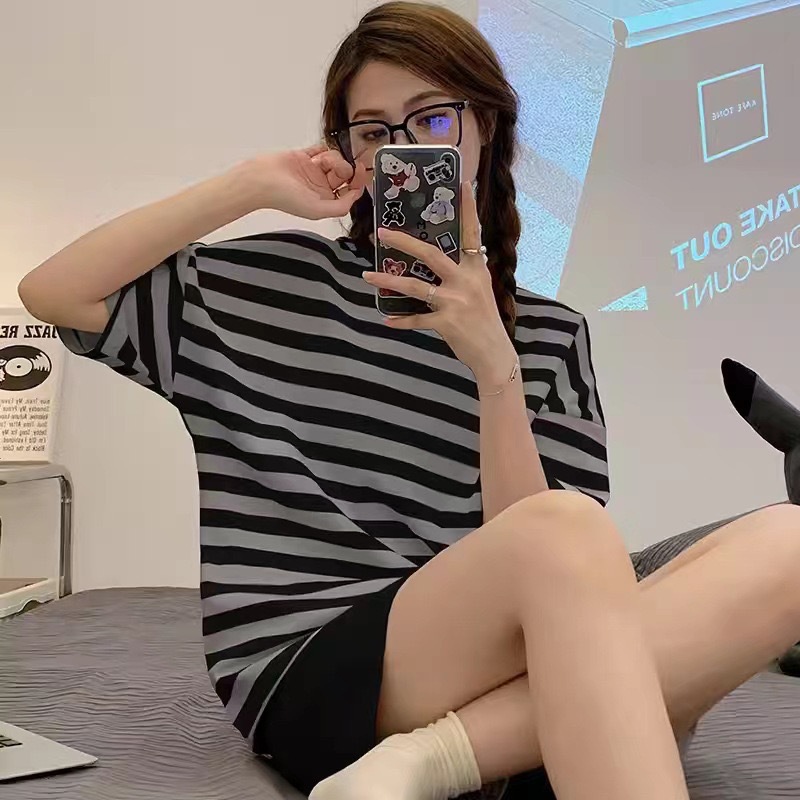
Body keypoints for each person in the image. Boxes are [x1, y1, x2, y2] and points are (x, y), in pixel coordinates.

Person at [18, 3, 800, 799]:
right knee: (571, 539)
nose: (405, 148)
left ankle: (431, 760)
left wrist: (495, 369)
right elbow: (55, 292)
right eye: (373, 130)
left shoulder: (551, 336)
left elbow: (549, 576)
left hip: (498, 662)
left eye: (432, 119)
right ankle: (517, 739)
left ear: (484, 125)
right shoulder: (263, 287)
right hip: (316, 666)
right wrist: (247, 185)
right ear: (347, 150)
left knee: (789, 540)